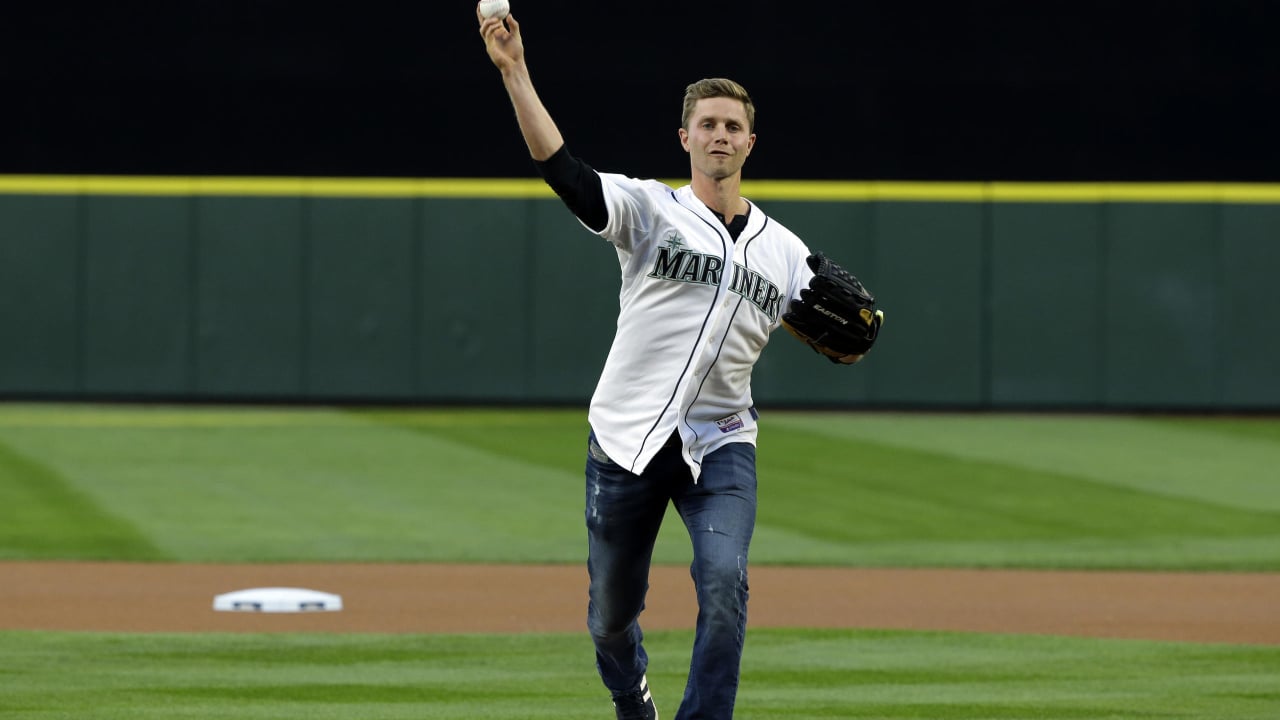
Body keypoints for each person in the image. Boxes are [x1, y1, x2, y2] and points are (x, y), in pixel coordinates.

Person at [478, 7, 850, 719]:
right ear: (686, 138)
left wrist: (860, 333)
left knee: (725, 585)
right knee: (610, 617)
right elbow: (565, 172)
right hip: (627, 439)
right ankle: (630, 695)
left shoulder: (786, 253)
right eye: (707, 124)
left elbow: (844, 329)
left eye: (732, 125)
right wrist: (515, 72)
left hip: (723, 442)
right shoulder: (650, 211)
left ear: (750, 143)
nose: (720, 134)